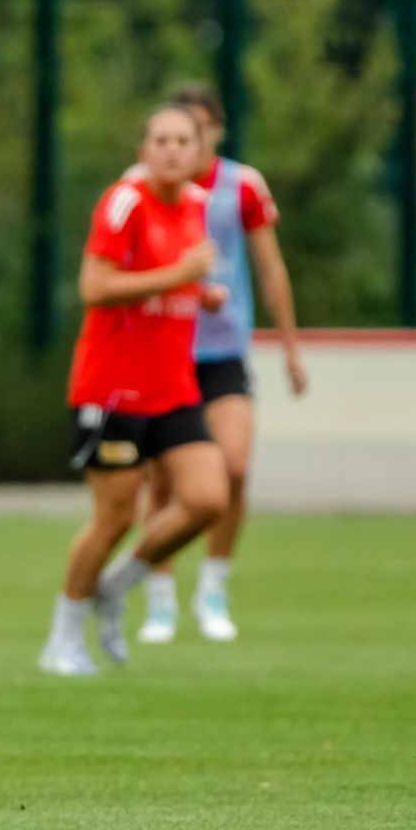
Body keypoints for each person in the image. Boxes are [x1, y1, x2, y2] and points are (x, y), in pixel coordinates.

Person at [40, 105, 232, 677]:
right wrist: (178, 277)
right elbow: (95, 287)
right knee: (114, 518)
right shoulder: (125, 202)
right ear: (144, 149)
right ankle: (63, 638)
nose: (172, 149)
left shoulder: (196, 205)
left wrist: (200, 294)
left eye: (183, 140)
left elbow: (168, 284)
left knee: (207, 499)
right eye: (161, 139)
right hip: (113, 391)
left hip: (172, 387)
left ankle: (117, 586)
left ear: (201, 152)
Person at [133, 83, 305, 645]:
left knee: (232, 467)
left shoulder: (242, 186)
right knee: (162, 481)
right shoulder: (142, 191)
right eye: (177, 131)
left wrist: (290, 346)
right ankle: (159, 598)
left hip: (224, 349)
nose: (188, 140)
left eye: (199, 128)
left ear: (215, 130)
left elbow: (270, 268)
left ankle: (213, 587)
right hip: (164, 350)